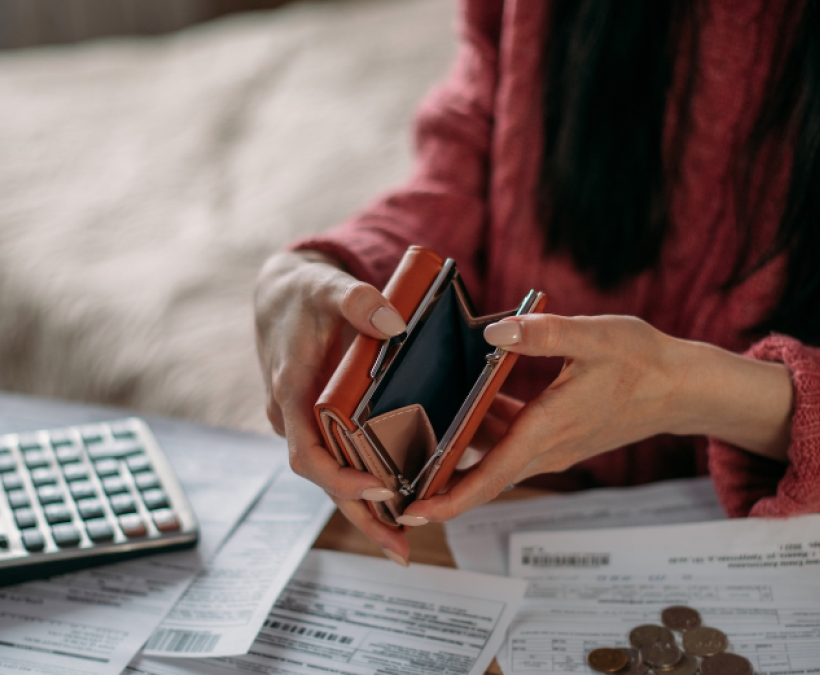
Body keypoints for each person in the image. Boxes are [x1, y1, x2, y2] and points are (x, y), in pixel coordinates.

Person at [255, 0, 820, 567]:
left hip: (771, 546)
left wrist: (690, 391)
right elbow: (465, 165)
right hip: (509, 503)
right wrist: (314, 265)